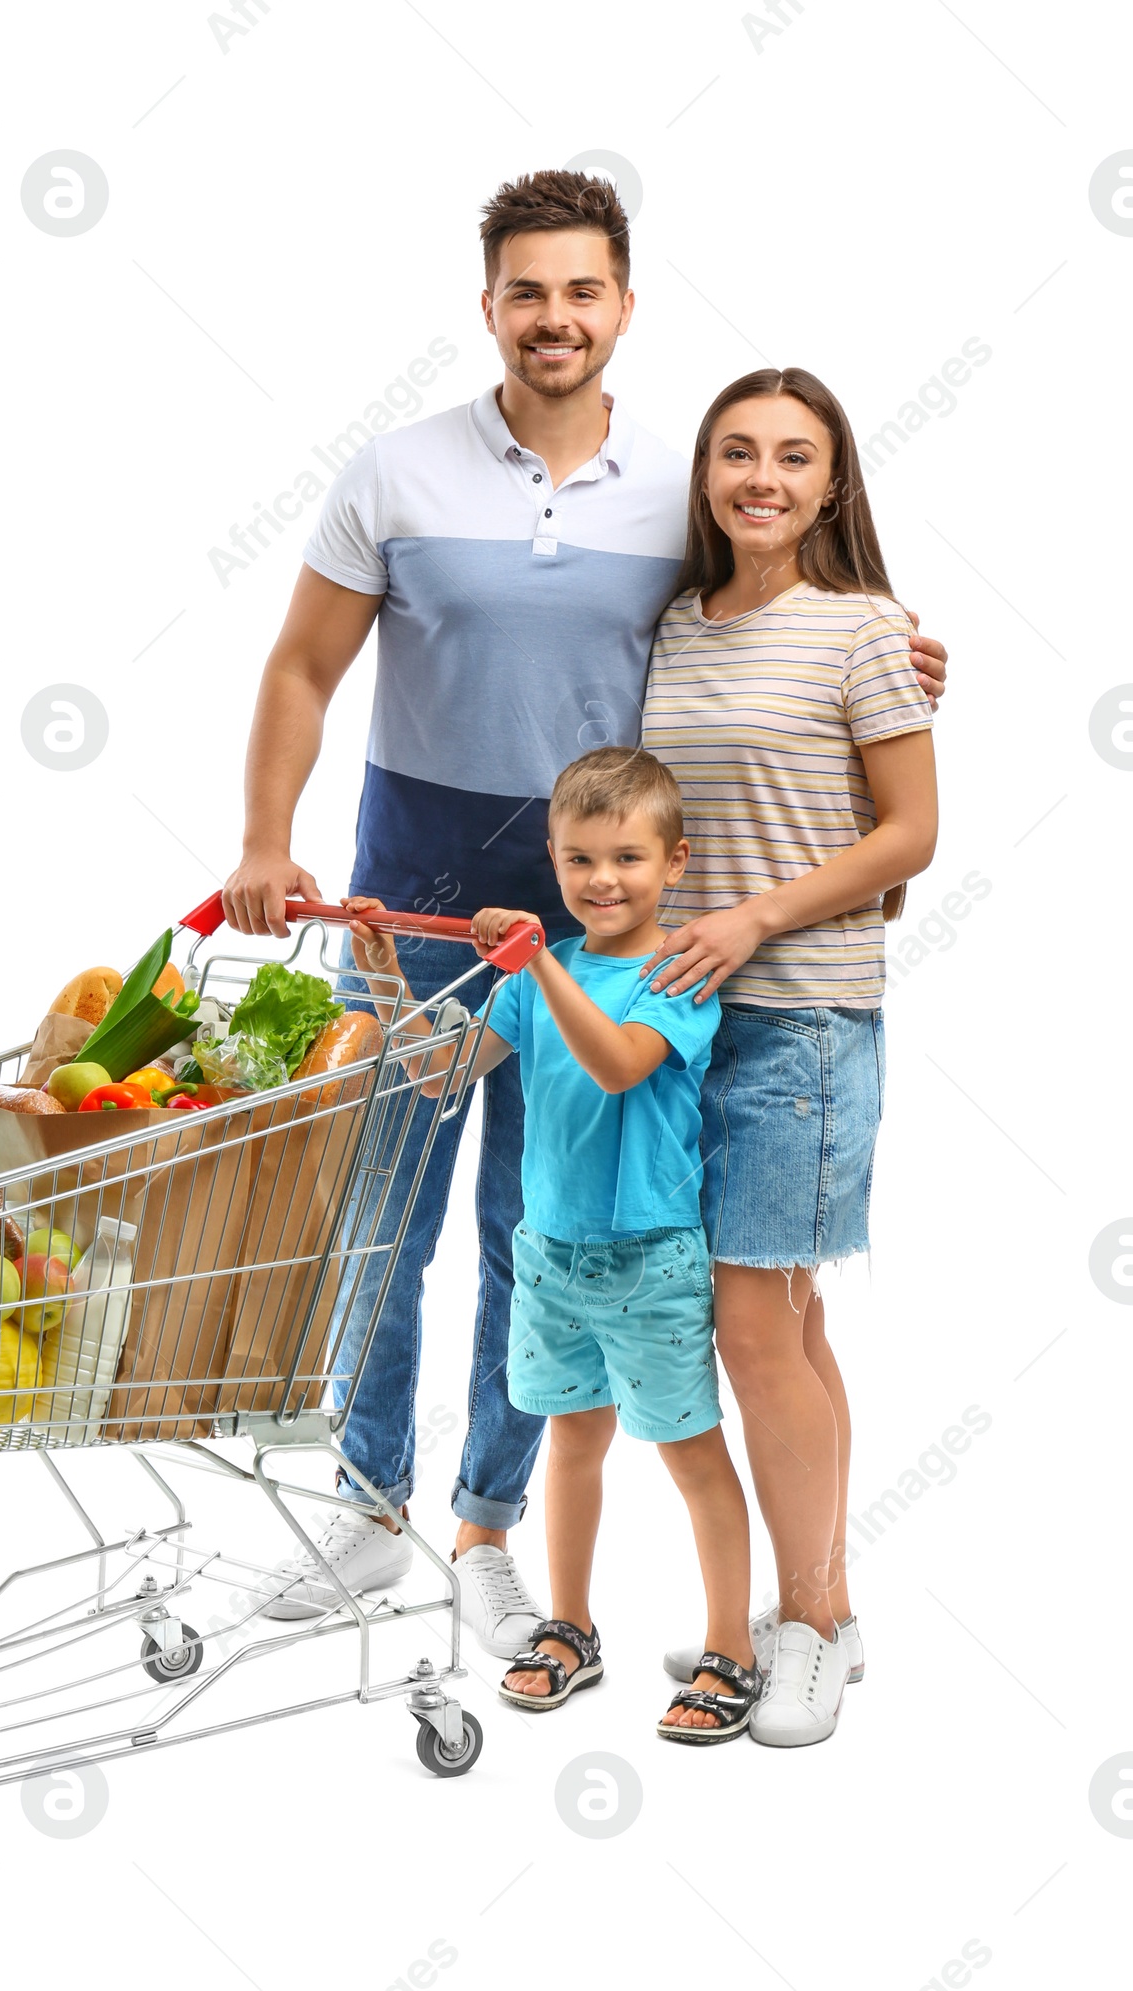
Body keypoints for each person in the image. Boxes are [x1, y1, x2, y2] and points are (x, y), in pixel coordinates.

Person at [221, 168, 949, 1660]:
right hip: (415, 881)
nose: (555, 319)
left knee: (532, 1217)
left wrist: (896, 657)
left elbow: (770, 601)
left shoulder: (674, 500)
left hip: (598, 898)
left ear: (623, 304)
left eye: (583, 291)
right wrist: (262, 836)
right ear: (488, 304)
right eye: (527, 292)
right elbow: (301, 667)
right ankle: (367, 1509)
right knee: (383, 1213)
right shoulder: (395, 473)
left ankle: (485, 1526)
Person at [345, 748, 762, 1741]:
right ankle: (568, 1626)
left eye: (625, 856)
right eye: (578, 858)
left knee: (690, 1452)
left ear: (675, 864)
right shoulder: (538, 977)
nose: (601, 878)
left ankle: (729, 1649)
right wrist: (381, 971)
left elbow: (619, 1065)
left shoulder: (679, 974)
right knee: (573, 1442)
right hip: (550, 1258)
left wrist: (531, 962)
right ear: (552, 858)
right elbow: (441, 1077)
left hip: (650, 1259)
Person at [639, 367, 938, 1744]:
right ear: (706, 475)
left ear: (833, 484)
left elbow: (908, 832)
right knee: (788, 1318)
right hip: (688, 1023)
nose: (763, 476)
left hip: (805, 1018)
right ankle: (831, 1601)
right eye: (738, 452)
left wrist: (755, 914)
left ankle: (809, 1620)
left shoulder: (867, 629)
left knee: (752, 1322)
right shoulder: (676, 628)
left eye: (794, 456)